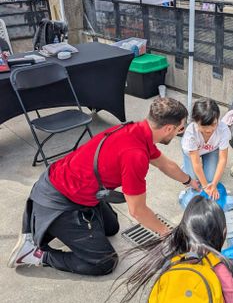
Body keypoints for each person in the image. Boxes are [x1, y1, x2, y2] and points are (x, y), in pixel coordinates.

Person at [7, 97, 200, 276]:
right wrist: (170, 235)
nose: (179, 133)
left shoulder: (138, 130)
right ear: (168, 128)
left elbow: (166, 164)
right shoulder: (135, 155)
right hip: (60, 199)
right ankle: (36, 253)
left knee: (111, 226)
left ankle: (65, 230)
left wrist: (190, 181)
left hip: (69, 183)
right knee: (103, 262)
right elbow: (138, 211)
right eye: (180, 129)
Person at [181, 98, 230, 200]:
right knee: (193, 180)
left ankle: (203, 166)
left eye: (213, 124)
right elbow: (196, 163)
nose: (209, 130)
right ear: (195, 122)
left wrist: (213, 184)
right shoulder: (191, 133)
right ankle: (185, 167)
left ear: (218, 119)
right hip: (192, 153)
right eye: (204, 126)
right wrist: (205, 186)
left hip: (211, 150)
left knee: (210, 179)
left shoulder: (223, 129)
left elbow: (223, 159)